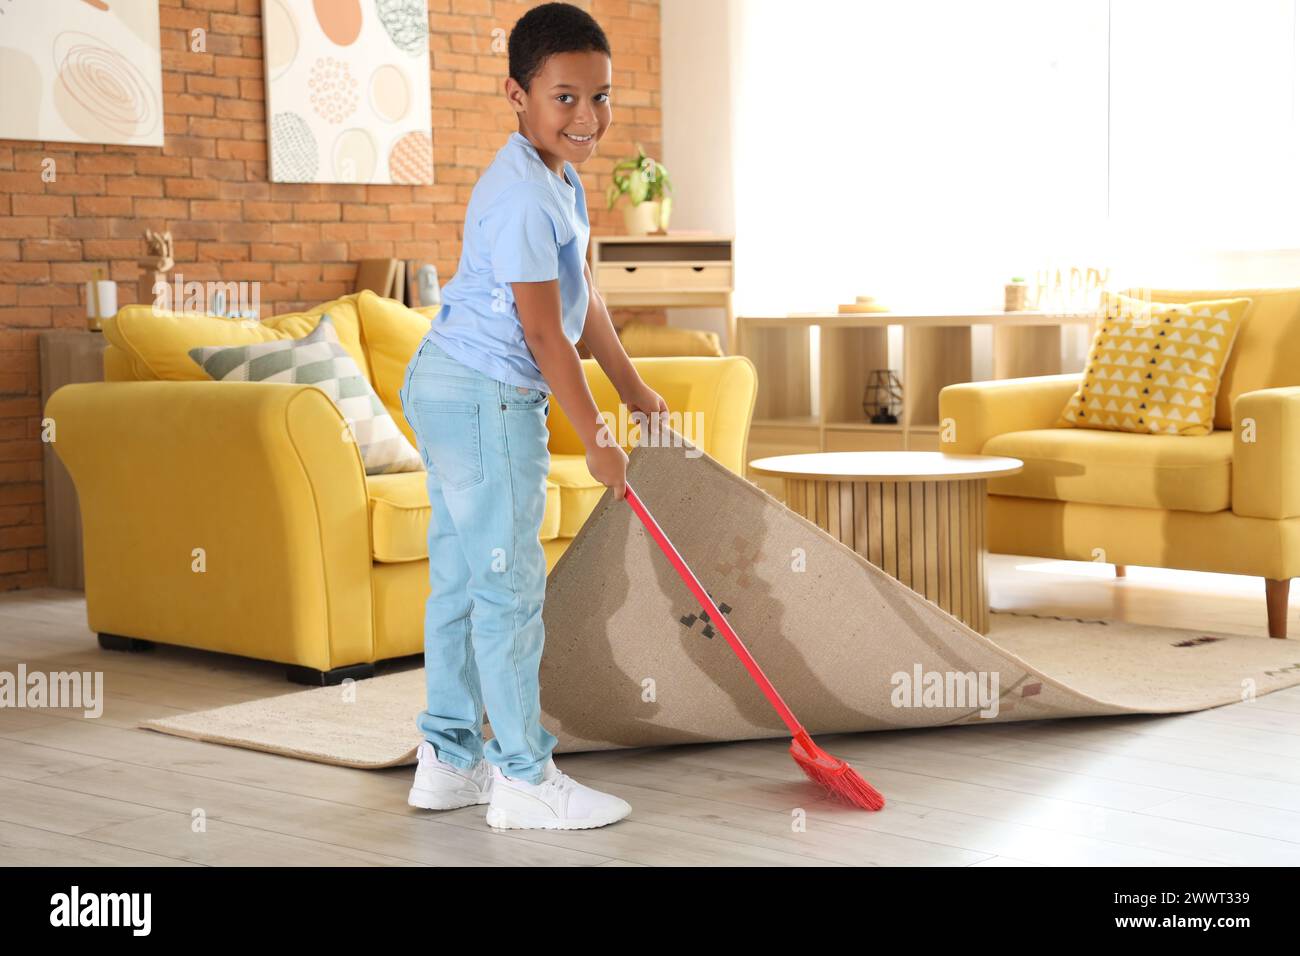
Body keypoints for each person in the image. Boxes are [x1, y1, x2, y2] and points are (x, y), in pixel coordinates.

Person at [398, 2, 669, 830]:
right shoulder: (520, 193)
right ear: (517, 94)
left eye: (601, 96)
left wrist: (632, 389)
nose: (588, 117)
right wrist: (596, 443)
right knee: (508, 587)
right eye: (565, 98)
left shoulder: (558, 173)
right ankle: (522, 777)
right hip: (482, 395)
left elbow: (582, 307)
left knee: (462, 578)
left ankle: (447, 760)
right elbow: (542, 332)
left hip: (449, 383)